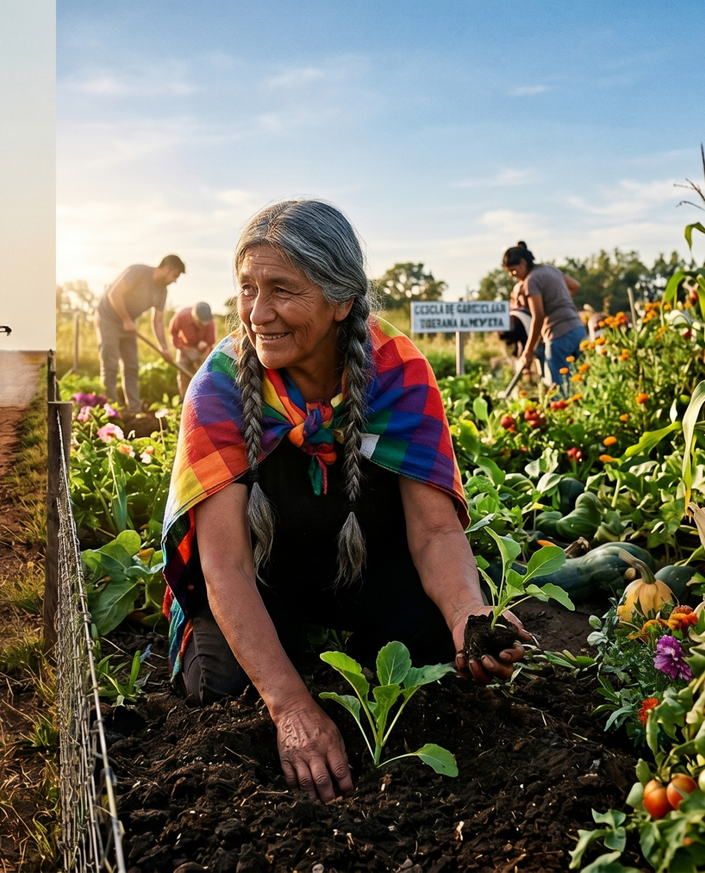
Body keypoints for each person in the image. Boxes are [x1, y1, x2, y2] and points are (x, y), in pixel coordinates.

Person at [161, 200, 530, 801]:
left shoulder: (397, 372)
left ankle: (354, 648)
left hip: (366, 572)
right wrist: (289, 706)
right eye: (248, 288)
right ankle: (291, 655)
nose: (258, 313)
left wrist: (468, 613)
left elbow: (436, 532)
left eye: (282, 289)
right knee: (220, 687)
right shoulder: (221, 387)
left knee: (445, 651)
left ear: (341, 302)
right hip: (263, 577)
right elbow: (223, 565)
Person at [96, 255, 185, 415]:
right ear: (166, 268)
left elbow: (157, 321)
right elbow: (114, 294)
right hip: (108, 319)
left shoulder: (162, 292)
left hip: (129, 324)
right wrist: (125, 319)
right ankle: (110, 410)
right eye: (175, 275)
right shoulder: (138, 272)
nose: (175, 280)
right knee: (110, 366)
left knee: (131, 367)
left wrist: (164, 349)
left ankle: (134, 412)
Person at [503, 242, 585, 393]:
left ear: (523, 263)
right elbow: (574, 286)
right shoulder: (550, 269)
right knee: (582, 382)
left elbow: (538, 316)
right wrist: (556, 302)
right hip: (578, 330)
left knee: (560, 390)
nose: (512, 276)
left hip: (558, 336)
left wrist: (528, 351)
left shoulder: (531, 281)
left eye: (513, 271)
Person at [169, 301, 217, 396]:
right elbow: (173, 332)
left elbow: (210, 342)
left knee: (203, 376)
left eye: (205, 324)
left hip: (201, 351)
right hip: (184, 349)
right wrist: (181, 347)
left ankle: (203, 398)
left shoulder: (210, 322)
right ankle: (184, 400)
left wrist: (205, 346)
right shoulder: (182, 315)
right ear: (193, 315)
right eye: (200, 323)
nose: (203, 325)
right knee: (183, 376)